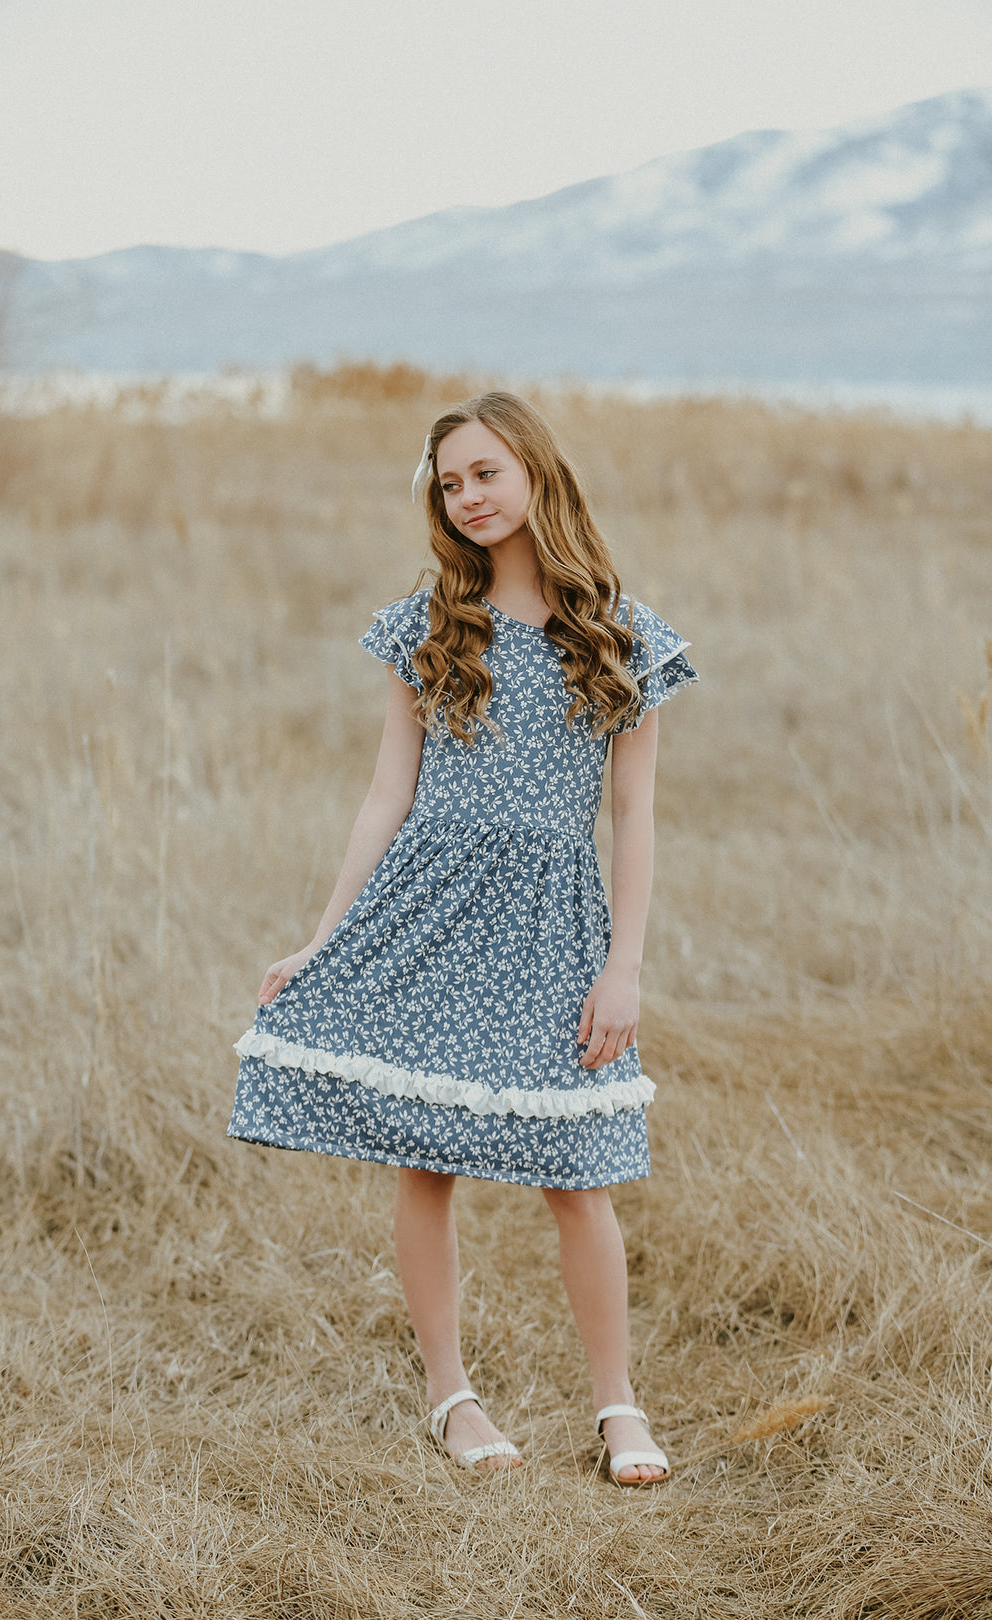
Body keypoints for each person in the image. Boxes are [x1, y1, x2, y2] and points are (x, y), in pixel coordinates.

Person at [228, 391, 697, 1483]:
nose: (469, 496)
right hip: (426, 911)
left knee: (578, 1171)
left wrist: (623, 965)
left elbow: (636, 819)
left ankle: (617, 1407)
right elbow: (386, 795)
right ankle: (453, 1396)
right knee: (424, 1159)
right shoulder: (429, 627)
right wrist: (323, 939)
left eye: (485, 472)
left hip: (551, 926)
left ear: (534, 470)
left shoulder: (623, 634)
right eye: (449, 482)